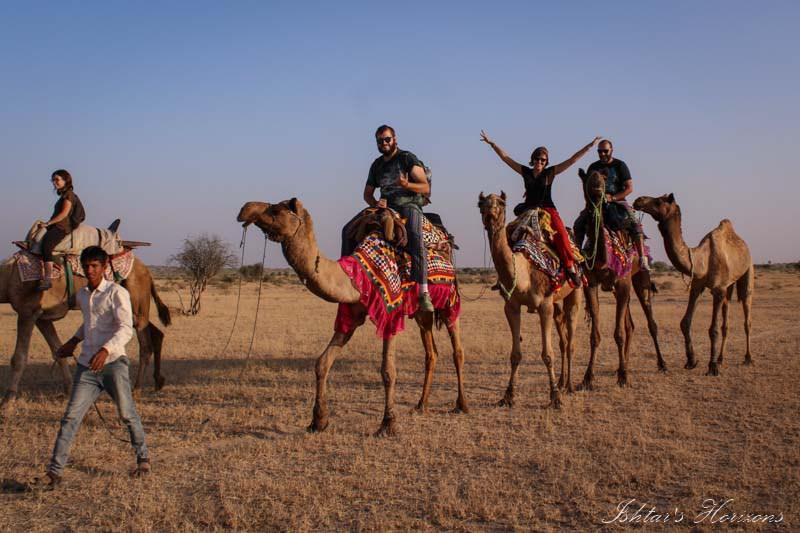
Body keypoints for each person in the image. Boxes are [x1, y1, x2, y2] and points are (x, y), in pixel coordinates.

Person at [32, 246, 149, 488]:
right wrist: (73, 341)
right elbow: (89, 324)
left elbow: (125, 328)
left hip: (113, 364)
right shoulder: (83, 295)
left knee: (127, 414)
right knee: (70, 418)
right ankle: (54, 473)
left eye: (95, 266)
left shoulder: (117, 293)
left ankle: (143, 459)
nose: (90, 270)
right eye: (86, 266)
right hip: (86, 366)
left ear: (104, 267)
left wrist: (106, 350)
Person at [480, 130, 600, 286]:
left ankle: (570, 268)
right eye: (537, 159)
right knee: (507, 234)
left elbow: (572, 160)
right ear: (532, 160)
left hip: (547, 210)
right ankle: (503, 275)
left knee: (561, 235)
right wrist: (492, 144)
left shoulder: (550, 173)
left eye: (543, 160)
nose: (540, 162)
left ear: (546, 162)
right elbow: (506, 158)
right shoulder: (525, 172)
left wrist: (589, 146)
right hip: (528, 211)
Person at [341, 125, 434, 312]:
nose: (383, 143)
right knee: (348, 230)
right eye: (380, 140)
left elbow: (425, 187)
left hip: (408, 205)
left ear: (395, 139)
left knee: (415, 237)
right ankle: (347, 277)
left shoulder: (407, 158)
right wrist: (376, 203)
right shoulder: (377, 165)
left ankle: (423, 292)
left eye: (387, 139)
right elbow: (367, 194)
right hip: (385, 207)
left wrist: (406, 184)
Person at [573, 139, 649, 270]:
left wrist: (612, 198)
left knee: (635, 223)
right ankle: (577, 256)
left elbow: (629, 188)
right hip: (597, 204)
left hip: (617, 202)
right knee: (579, 224)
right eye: (600, 151)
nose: (602, 154)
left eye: (605, 151)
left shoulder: (620, 165)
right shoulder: (593, 167)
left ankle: (642, 258)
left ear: (611, 150)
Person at [37, 169, 86, 290]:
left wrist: (48, 223)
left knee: (46, 245)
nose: (54, 182)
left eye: (57, 180)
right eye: (53, 180)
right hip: (57, 226)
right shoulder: (64, 196)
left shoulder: (69, 195)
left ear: (66, 180)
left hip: (61, 228)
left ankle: (48, 279)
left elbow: (64, 214)